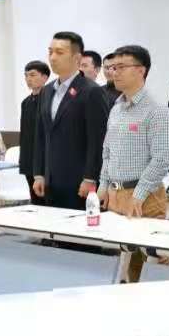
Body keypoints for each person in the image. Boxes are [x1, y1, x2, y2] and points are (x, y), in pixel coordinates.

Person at [98, 45, 169, 282]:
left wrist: (139, 194)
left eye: (121, 67)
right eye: (112, 67)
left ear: (141, 70)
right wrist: (103, 185)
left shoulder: (157, 110)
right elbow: (107, 151)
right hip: (116, 195)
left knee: (156, 257)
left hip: (145, 196)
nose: (114, 72)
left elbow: (162, 158)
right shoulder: (116, 108)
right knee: (129, 259)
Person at [32, 31, 109, 210]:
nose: (52, 57)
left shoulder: (91, 91)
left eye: (59, 52)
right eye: (50, 52)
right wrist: (39, 174)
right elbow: (41, 135)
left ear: (77, 58)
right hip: (51, 179)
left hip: (79, 181)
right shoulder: (47, 91)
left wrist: (90, 177)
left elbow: (98, 140)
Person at [19, 60, 50, 205]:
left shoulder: (50, 100)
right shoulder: (26, 102)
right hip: (29, 159)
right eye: (26, 76)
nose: (28, 79)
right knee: (35, 201)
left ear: (45, 77)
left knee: (47, 200)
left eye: (32, 75)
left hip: (45, 160)